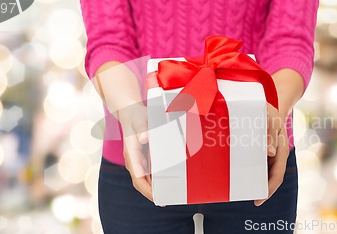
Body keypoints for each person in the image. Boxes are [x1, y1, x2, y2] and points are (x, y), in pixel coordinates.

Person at [80, 0, 318, 233]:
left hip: (256, 151)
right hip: (142, 156)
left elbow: (291, 40)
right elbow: (109, 39)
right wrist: (130, 113)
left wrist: (273, 114)